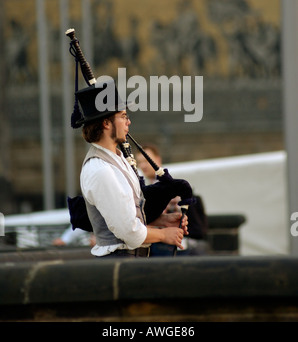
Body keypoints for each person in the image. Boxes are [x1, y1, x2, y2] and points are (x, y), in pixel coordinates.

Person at [74, 81, 190, 258]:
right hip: (118, 261)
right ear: (106, 123)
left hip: (132, 258)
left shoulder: (118, 160)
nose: (128, 122)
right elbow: (128, 231)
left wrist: (162, 221)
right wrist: (163, 235)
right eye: (123, 116)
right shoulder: (100, 170)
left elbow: (127, 214)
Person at [136, 144, 210, 257]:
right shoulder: (146, 187)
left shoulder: (170, 187)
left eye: (146, 160)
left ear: (158, 159)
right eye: (140, 162)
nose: (143, 165)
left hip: (172, 245)